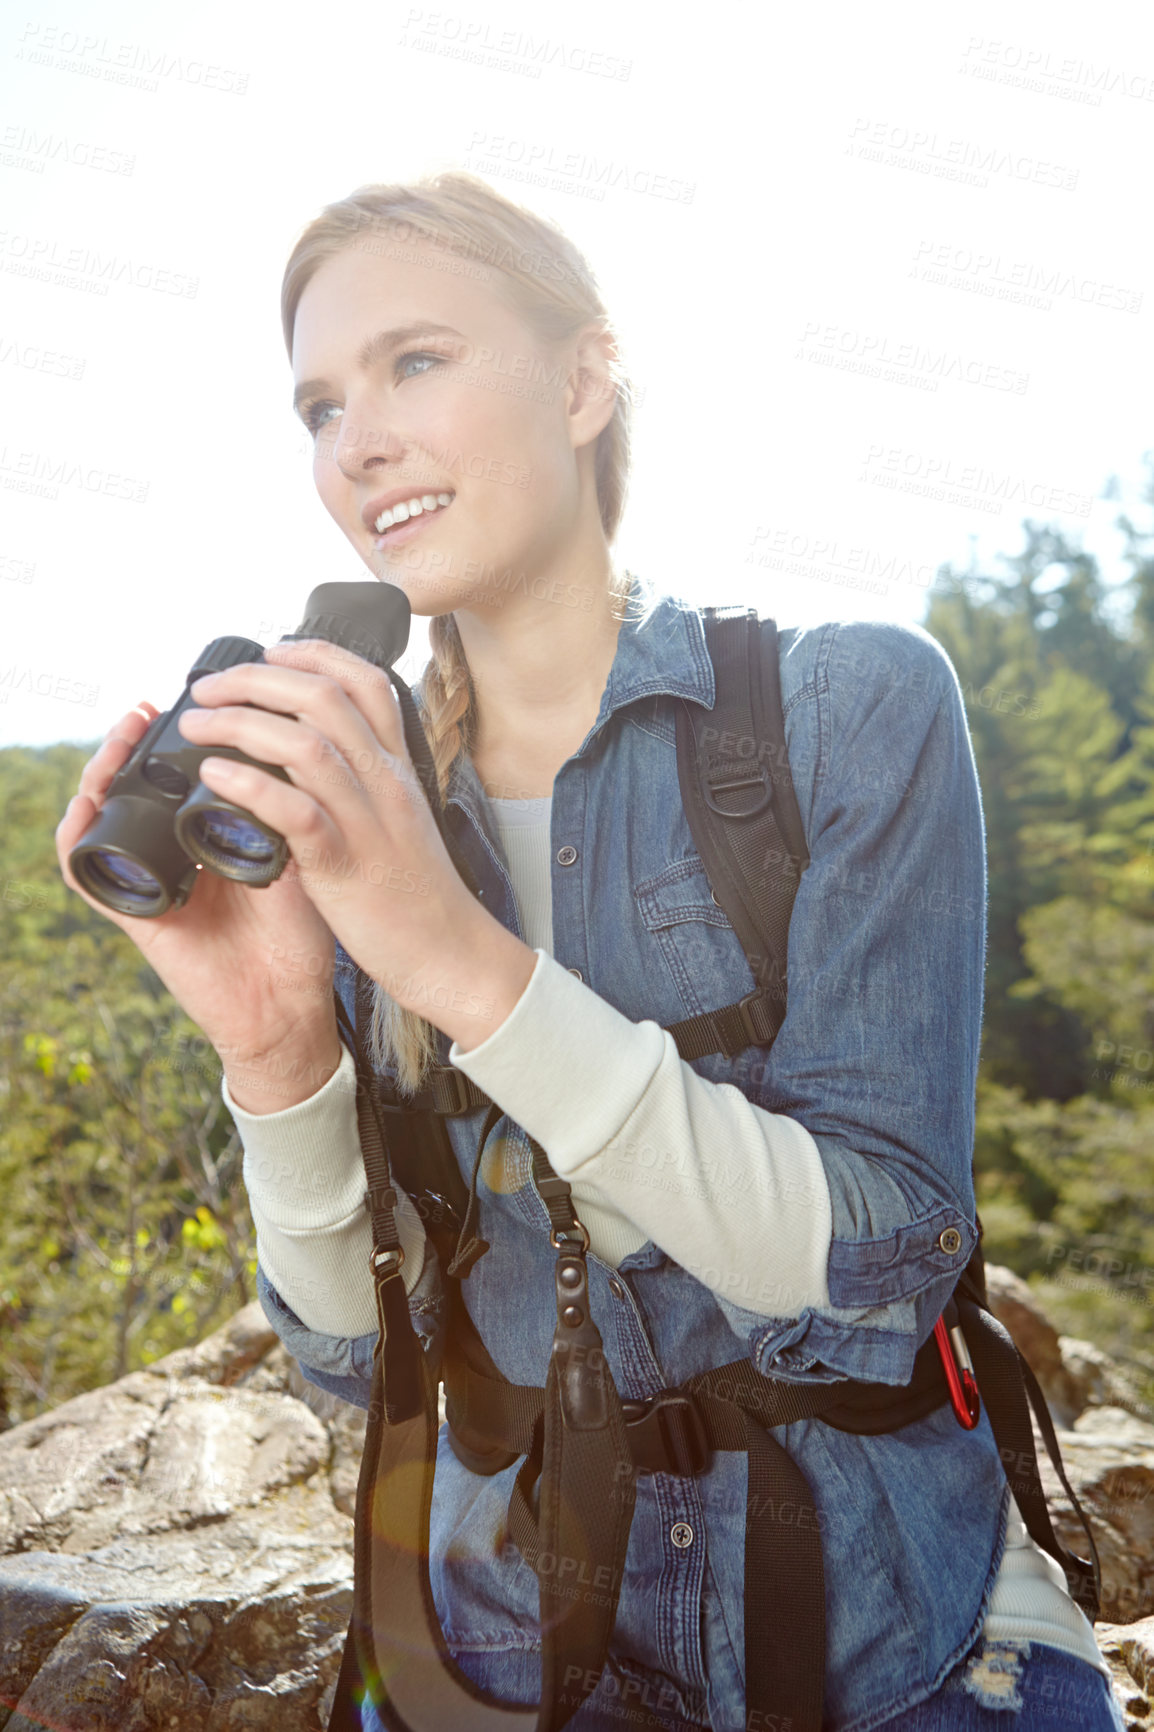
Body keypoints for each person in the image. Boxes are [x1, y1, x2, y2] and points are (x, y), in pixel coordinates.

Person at [56, 172, 1124, 1732]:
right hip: (501, 1649)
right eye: (317, 404)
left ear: (580, 379)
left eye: (414, 362)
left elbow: (883, 1271)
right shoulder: (364, 805)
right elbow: (360, 1367)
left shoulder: (842, 710)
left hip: (885, 1641)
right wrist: (276, 1049)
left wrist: (458, 959)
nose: (354, 443)